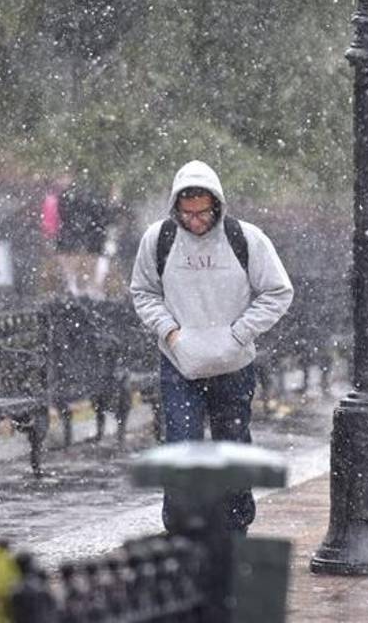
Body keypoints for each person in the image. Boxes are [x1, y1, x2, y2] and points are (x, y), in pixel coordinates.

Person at [130, 160, 293, 533]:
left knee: (232, 445)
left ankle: (236, 528)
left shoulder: (245, 239)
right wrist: (170, 332)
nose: (195, 221)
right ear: (176, 207)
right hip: (179, 362)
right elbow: (143, 292)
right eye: (187, 213)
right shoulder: (159, 239)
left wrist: (239, 333)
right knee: (182, 448)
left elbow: (278, 291)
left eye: (203, 212)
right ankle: (183, 531)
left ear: (217, 205)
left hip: (234, 364)